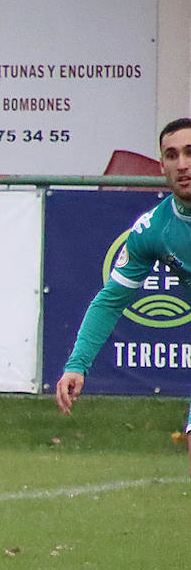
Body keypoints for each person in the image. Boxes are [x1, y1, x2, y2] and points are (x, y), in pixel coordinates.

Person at [55, 117, 191, 471]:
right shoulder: (153, 230)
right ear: (161, 165)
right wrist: (76, 365)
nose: (183, 164)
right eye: (172, 155)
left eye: (190, 153)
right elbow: (109, 301)